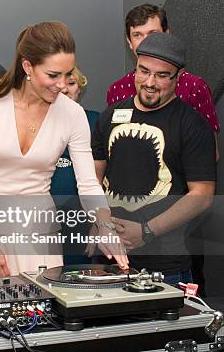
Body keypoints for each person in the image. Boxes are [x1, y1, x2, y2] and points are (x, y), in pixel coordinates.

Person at [0, 21, 127, 279]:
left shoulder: (73, 114)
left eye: (67, 74)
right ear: (27, 66)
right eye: (53, 75)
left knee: (43, 315)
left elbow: (88, 185)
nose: (62, 85)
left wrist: (105, 226)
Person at [92, 32, 216, 286]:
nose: (150, 82)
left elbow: (202, 195)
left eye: (162, 75)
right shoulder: (110, 116)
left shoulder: (191, 124)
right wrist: (101, 224)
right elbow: (91, 180)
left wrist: (147, 231)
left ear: (178, 77)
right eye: (143, 71)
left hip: (165, 265)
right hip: (110, 261)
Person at [107, 4, 219, 158]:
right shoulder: (117, 90)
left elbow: (210, 153)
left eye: (153, 34)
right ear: (129, 41)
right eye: (137, 35)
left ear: (167, 34)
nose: (146, 42)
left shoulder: (194, 87)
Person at [51, 66, 98, 265]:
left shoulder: (95, 122)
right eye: (59, 84)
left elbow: (103, 179)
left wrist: (98, 225)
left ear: (80, 87)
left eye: (71, 83)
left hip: (82, 223)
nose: (65, 89)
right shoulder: (37, 122)